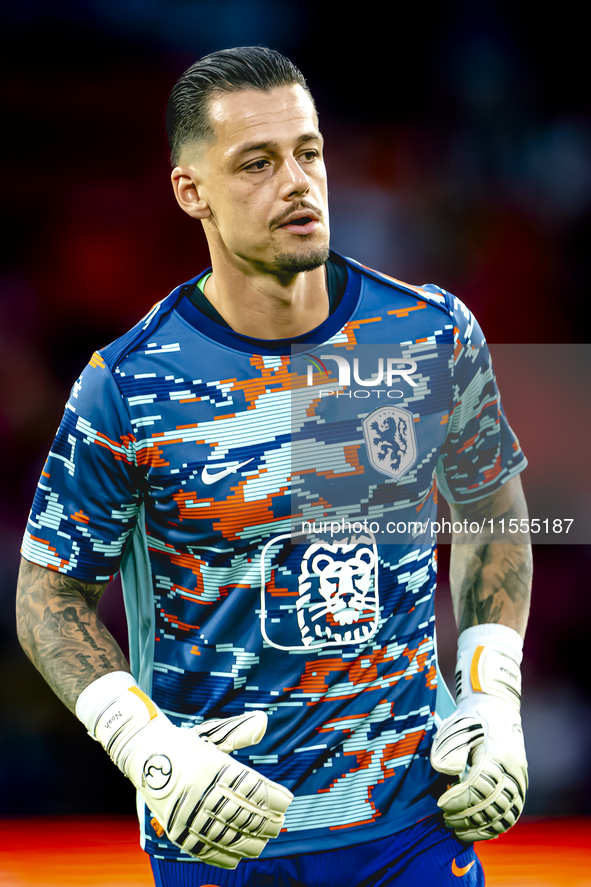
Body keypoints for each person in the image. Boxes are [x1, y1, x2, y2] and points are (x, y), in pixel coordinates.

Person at [16, 46, 532, 886]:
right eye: (256, 162)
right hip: (221, 836)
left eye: (308, 151)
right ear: (192, 192)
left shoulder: (433, 333)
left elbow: (493, 513)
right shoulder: (129, 383)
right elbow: (47, 599)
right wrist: (145, 747)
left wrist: (490, 695)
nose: (295, 181)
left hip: (413, 828)